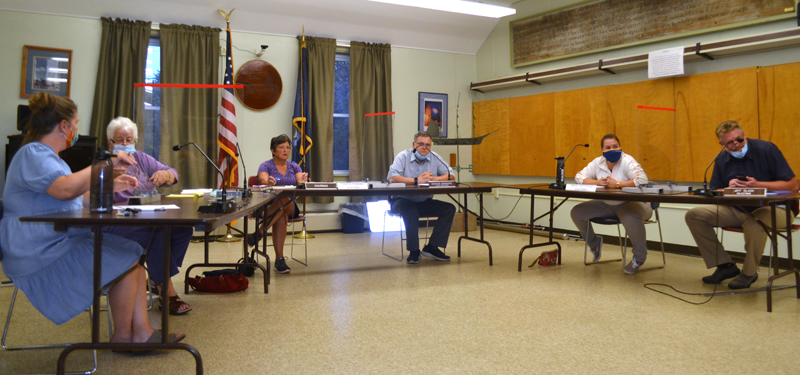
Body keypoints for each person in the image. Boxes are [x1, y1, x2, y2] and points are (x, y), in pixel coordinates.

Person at [0, 93, 183, 346]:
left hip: (55, 240)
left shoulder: (47, 156)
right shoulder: (34, 153)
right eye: (74, 124)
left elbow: (74, 198)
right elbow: (64, 190)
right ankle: (125, 337)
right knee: (128, 256)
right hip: (40, 251)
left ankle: (139, 332)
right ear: (63, 126)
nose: (76, 130)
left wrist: (109, 187)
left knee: (133, 250)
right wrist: (102, 167)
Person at [685, 121, 798, 289]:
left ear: (744, 135)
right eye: (729, 143)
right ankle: (725, 265)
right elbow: (715, 189)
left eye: (739, 139)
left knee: (755, 221)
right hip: (739, 209)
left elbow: (793, 185)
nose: (736, 145)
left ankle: (749, 273)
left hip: (776, 209)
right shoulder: (721, 158)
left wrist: (759, 185)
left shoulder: (766, 150)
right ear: (721, 144)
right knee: (694, 216)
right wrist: (728, 188)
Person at [102, 117, 193, 315]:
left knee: (183, 228)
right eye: (120, 140)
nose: (125, 144)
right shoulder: (104, 163)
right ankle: (167, 293)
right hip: (117, 221)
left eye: (129, 139)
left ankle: (155, 277)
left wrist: (166, 176)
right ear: (110, 142)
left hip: (147, 213)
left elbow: (172, 172)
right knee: (158, 233)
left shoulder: (141, 158)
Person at [570, 134, 651, 274]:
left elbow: (642, 180)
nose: (612, 149)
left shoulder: (627, 161)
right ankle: (594, 243)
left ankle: (639, 257)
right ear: (602, 150)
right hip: (607, 204)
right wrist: (597, 182)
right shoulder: (598, 162)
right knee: (577, 212)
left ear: (620, 147)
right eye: (608, 147)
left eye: (615, 146)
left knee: (630, 217)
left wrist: (618, 184)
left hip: (632, 204)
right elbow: (578, 177)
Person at [387, 131, 456, 264]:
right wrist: (416, 180)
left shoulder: (435, 157)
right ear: (414, 145)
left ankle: (432, 247)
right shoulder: (403, 156)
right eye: (421, 144)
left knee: (449, 208)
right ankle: (414, 251)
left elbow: (451, 176)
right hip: (402, 200)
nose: (424, 147)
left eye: (428, 145)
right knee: (411, 211)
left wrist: (434, 178)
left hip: (424, 201)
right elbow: (392, 177)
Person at [248, 134, 308, 274]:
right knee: (281, 216)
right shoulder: (266, 165)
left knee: (285, 198)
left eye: (287, 147)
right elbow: (263, 179)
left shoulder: (294, 166)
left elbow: (300, 181)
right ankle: (279, 260)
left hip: (291, 205)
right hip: (268, 206)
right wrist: (268, 181)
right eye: (281, 147)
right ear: (273, 150)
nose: (285, 150)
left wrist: (304, 180)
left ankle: (259, 233)